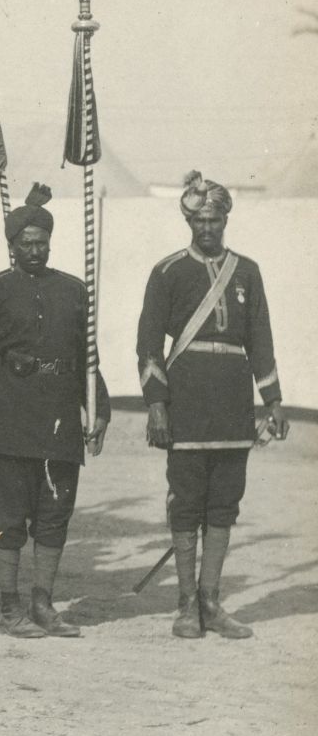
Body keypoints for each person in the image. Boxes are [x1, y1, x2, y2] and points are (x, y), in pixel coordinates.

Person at [137, 171, 289, 640]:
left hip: (231, 405)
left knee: (224, 504)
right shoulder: (168, 271)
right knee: (186, 504)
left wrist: (274, 400)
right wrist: (157, 404)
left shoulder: (247, 271)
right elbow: (147, 345)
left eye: (215, 218)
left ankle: (211, 602)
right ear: (188, 219)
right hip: (185, 404)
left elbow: (260, 338)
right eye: (199, 219)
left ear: (226, 218)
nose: (207, 227)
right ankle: (185, 606)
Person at [0, 184, 110, 639]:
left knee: (53, 514)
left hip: (59, 418)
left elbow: (89, 359)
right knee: (6, 516)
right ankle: (9, 607)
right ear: (12, 246)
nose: (35, 250)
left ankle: (43, 603)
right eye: (26, 244)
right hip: (7, 416)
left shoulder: (72, 290)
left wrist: (98, 409)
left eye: (41, 242)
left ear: (49, 242)